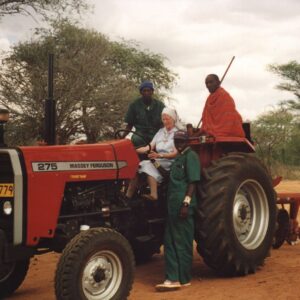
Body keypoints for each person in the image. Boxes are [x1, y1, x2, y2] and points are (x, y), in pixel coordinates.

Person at [156, 130, 201, 292]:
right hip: (172, 207)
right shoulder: (178, 158)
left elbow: (193, 182)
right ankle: (176, 278)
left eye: (181, 140)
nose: (178, 143)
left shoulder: (191, 157)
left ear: (187, 141)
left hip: (182, 207)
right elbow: (169, 177)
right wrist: (154, 161)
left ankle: (178, 278)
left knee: (182, 242)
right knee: (170, 242)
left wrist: (186, 204)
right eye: (176, 140)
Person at [126, 107, 183, 201]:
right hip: (158, 160)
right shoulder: (160, 132)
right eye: (163, 119)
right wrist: (132, 149)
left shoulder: (177, 133)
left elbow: (175, 154)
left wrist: (159, 155)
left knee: (148, 165)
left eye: (167, 119)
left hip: (170, 161)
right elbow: (148, 147)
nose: (165, 121)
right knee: (136, 167)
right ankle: (128, 196)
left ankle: (154, 195)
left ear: (173, 119)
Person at [124, 80, 165, 147]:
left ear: (152, 92)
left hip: (156, 133)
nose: (146, 93)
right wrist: (122, 137)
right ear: (141, 92)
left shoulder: (160, 105)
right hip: (140, 133)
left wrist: (165, 135)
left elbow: (164, 124)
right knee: (135, 140)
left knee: (161, 142)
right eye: (144, 91)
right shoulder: (134, 105)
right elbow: (129, 125)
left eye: (148, 90)